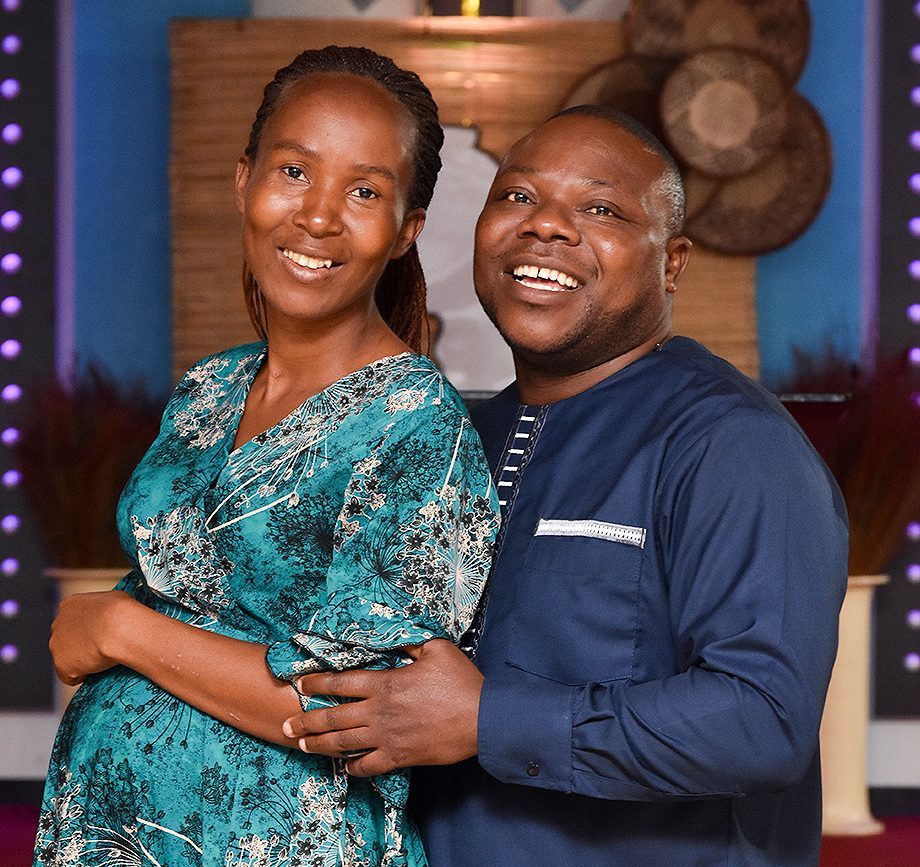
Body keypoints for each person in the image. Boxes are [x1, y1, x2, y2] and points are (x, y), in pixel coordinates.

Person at [280, 105, 849, 867]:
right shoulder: (453, 437)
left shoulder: (733, 444)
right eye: (517, 196)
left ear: (672, 262)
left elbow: (762, 721)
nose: (545, 224)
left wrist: (489, 718)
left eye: (601, 209)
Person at [33, 46, 499, 867]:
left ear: (406, 231)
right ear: (244, 180)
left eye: (364, 191)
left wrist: (120, 628)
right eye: (294, 171)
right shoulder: (209, 388)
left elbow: (359, 710)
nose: (318, 216)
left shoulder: (418, 426)